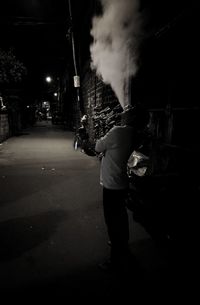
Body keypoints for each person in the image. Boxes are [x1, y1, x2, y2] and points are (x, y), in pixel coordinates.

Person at [95, 103, 149, 271]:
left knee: (112, 221)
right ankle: (122, 245)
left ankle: (115, 259)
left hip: (111, 184)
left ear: (131, 117)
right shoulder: (136, 134)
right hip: (123, 182)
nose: (123, 112)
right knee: (121, 217)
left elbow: (98, 146)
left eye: (127, 110)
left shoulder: (118, 131)